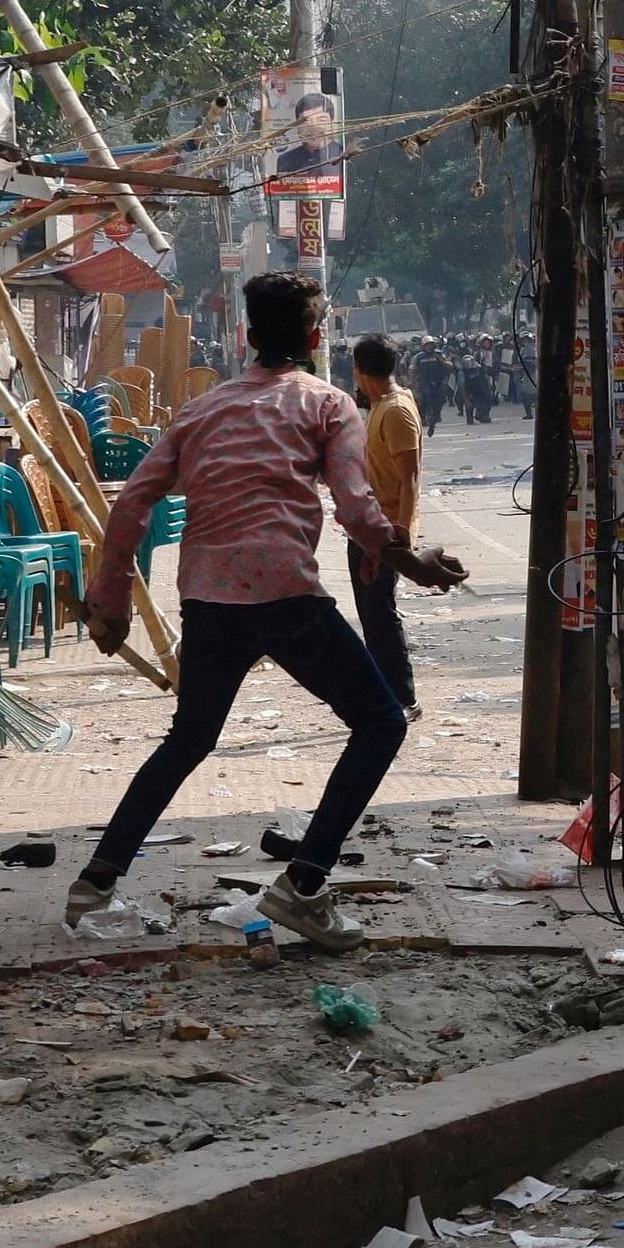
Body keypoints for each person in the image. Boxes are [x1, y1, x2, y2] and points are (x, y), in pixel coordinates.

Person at [68, 272, 467, 950]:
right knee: (379, 722)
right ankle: (304, 883)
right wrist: (414, 561)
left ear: (248, 336)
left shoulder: (201, 410)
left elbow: (132, 500)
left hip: (209, 598)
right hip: (286, 593)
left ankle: (95, 881)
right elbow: (356, 507)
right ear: (315, 337)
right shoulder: (327, 403)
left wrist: (111, 601)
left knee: (189, 738)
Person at [348, 334, 427, 718]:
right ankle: (386, 695)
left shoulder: (396, 410)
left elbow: (409, 477)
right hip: (369, 525)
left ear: (361, 371)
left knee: (380, 613)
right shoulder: (383, 405)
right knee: (372, 613)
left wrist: (403, 533)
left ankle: (402, 698)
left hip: (384, 529)